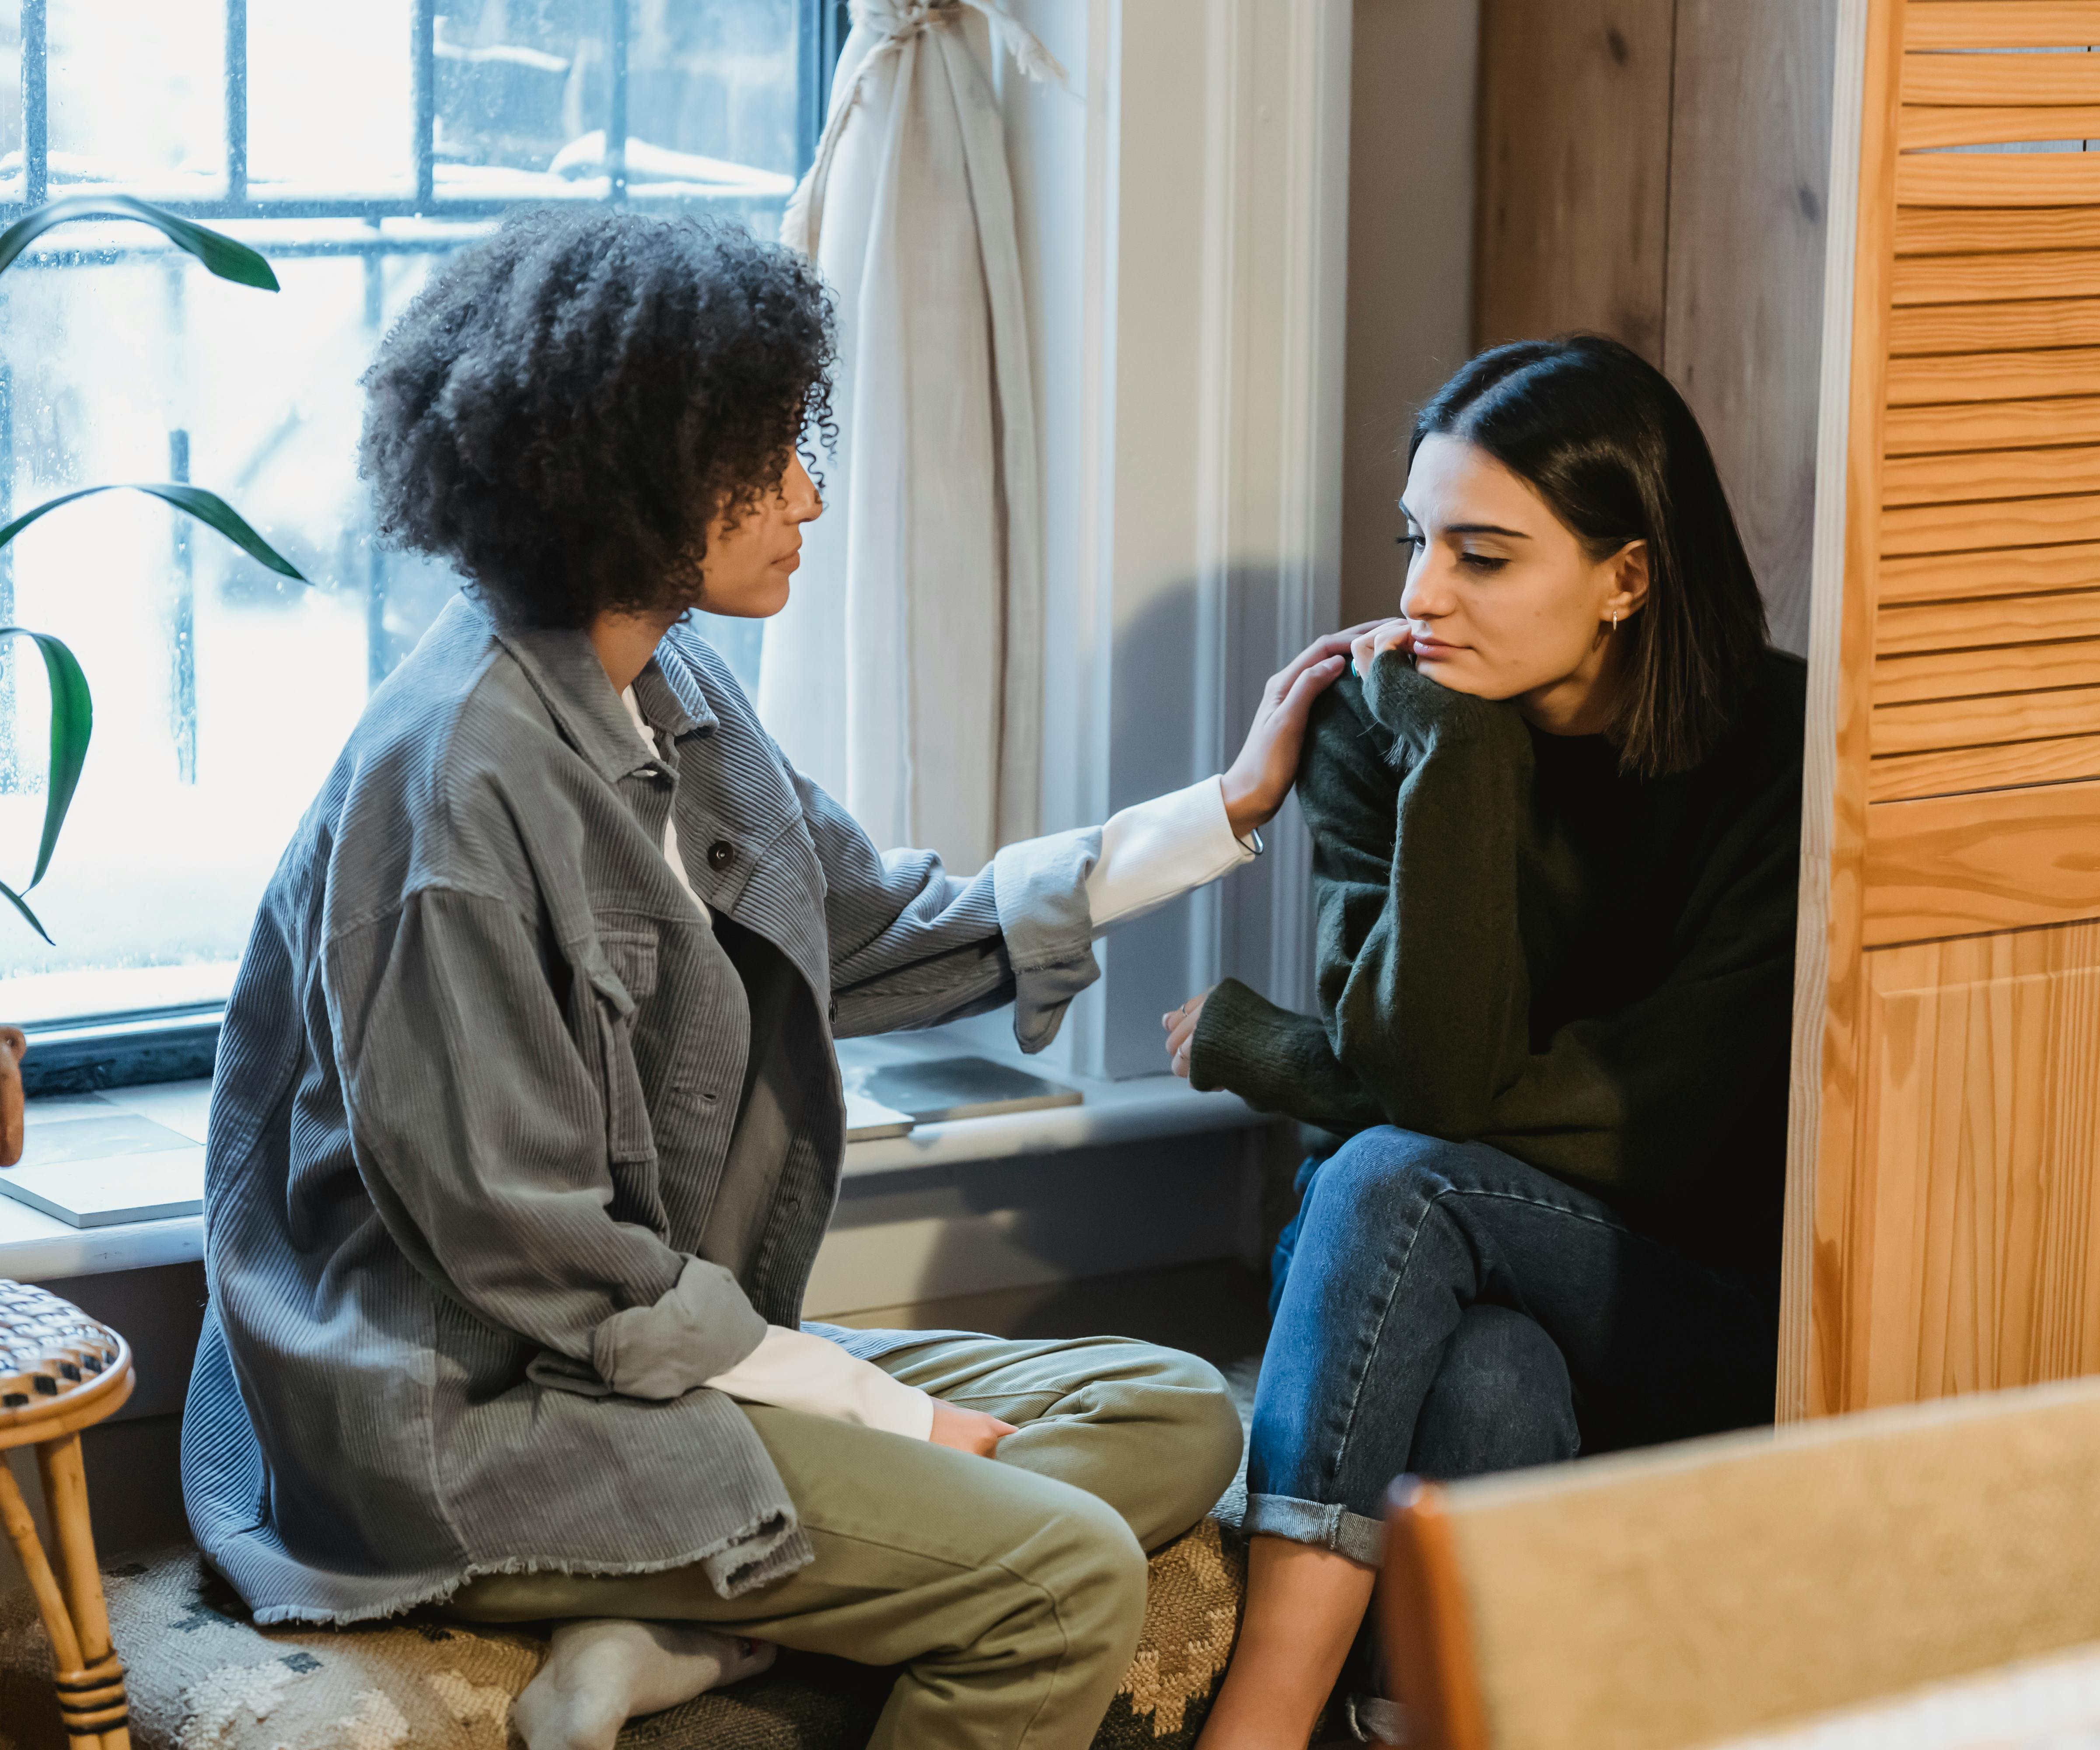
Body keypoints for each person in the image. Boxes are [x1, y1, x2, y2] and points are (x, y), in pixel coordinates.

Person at [180, 206, 1362, 1750]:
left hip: (632, 1364)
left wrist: (1222, 813)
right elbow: (536, 1255)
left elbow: (873, 930)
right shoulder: (455, 795)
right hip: (475, 1418)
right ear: (629, 479)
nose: (808, 491)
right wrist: (884, 1411)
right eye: (764, 458)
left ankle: (680, 1620)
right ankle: (694, 1591)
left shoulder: (670, 683)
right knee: (1064, 1575)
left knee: (1179, 1412)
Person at [1165, 336, 1806, 1748]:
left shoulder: (1783, 750)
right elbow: (1425, 1073)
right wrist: (1460, 755)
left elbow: (1667, 1120)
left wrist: (1279, 1053)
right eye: (1417, 540)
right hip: (1419, 1269)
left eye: (1483, 557)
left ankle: (1258, 1725)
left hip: (1677, 1289)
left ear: (1627, 577)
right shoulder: (1385, 725)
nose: (1418, 596)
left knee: (1395, 1172)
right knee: (1490, 1371)